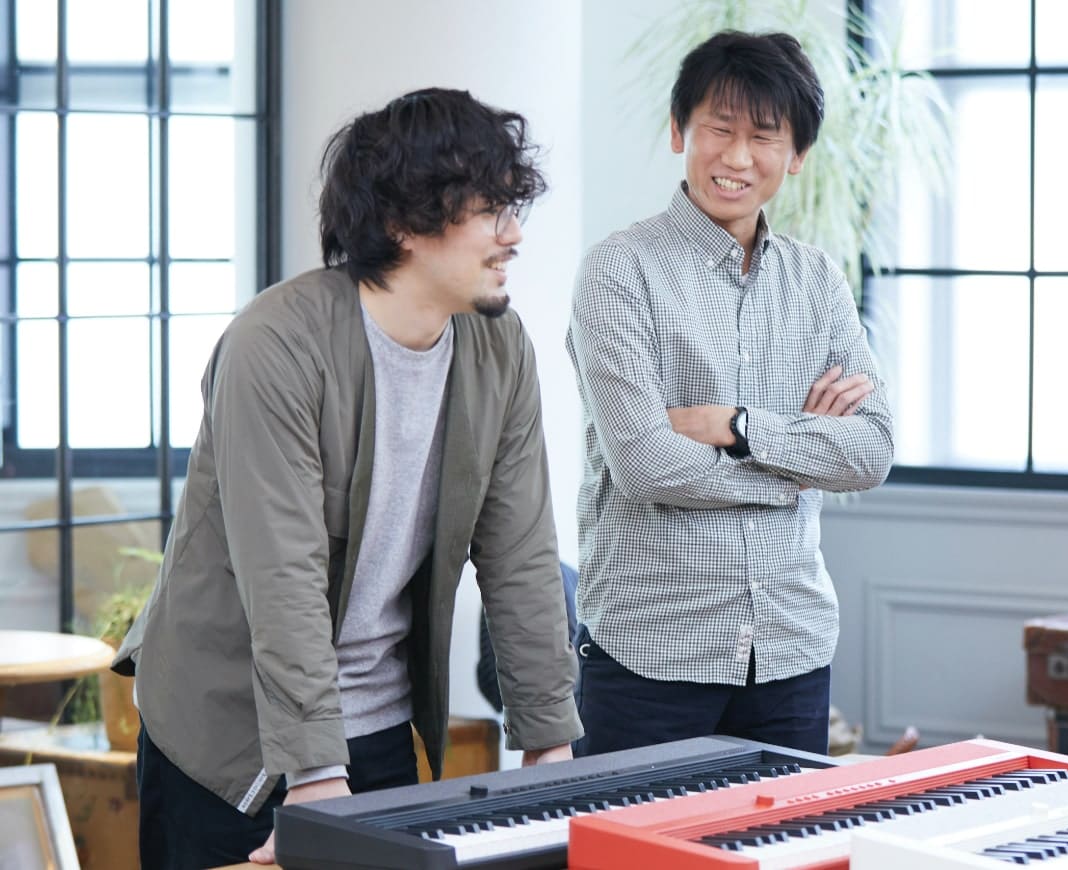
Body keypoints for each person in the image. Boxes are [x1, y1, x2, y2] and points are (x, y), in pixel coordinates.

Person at [111, 88, 582, 869]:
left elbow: (521, 559)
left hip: (377, 727)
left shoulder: (500, 350)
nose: (513, 234)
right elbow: (282, 575)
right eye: (489, 210)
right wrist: (316, 780)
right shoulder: (276, 345)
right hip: (234, 732)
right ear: (402, 222)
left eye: (513, 207)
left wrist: (547, 741)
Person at [567, 30, 894, 757]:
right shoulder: (619, 273)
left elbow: (872, 450)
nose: (738, 157)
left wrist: (736, 425)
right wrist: (798, 470)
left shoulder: (818, 281)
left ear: (796, 155)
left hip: (791, 653)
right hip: (650, 656)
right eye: (719, 128)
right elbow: (646, 465)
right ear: (681, 129)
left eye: (764, 137)